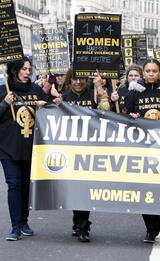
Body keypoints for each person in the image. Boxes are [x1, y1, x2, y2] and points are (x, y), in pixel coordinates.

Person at [0, 57, 49, 241]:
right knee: (13, 185)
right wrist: (5, 103)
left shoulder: (36, 90)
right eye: (24, 69)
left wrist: (46, 106)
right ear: (14, 71)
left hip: (31, 148)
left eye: (29, 69)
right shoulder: (1, 91)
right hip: (8, 149)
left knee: (25, 187)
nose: (28, 72)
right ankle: (15, 227)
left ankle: (24, 221)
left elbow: (51, 111)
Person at [125, 58, 160, 244]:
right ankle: (150, 227)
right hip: (142, 147)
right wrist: (131, 116)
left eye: (154, 71)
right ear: (143, 72)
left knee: (159, 188)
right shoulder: (134, 92)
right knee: (144, 189)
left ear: (159, 72)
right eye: (147, 70)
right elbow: (125, 115)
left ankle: (156, 223)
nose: (150, 74)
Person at [62, 68, 110, 242]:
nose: (78, 82)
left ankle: (83, 226)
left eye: (81, 79)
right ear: (70, 81)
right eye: (74, 79)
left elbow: (106, 112)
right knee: (75, 190)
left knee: (87, 190)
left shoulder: (94, 95)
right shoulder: (65, 98)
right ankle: (78, 220)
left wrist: (100, 90)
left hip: (92, 150)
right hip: (72, 150)